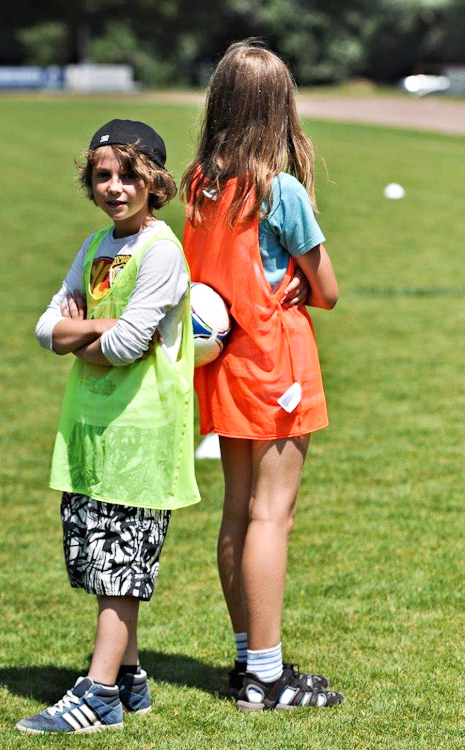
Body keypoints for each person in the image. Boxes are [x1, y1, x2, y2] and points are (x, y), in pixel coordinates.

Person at [16, 119, 199, 734]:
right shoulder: (95, 247)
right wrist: (88, 334)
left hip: (140, 432)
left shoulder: (162, 251)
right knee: (100, 561)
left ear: (154, 181)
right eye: (102, 176)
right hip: (90, 426)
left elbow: (126, 345)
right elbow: (46, 328)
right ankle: (129, 679)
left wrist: (84, 333)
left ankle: (96, 696)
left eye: (128, 174)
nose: (115, 187)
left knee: (120, 566)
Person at [181, 40, 343, 712]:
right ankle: (267, 680)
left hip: (220, 363)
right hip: (275, 365)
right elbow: (327, 290)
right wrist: (304, 286)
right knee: (272, 516)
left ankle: (252, 657)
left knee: (239, 512)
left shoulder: (199, 181)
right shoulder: (280, 190)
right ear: (279, 109)